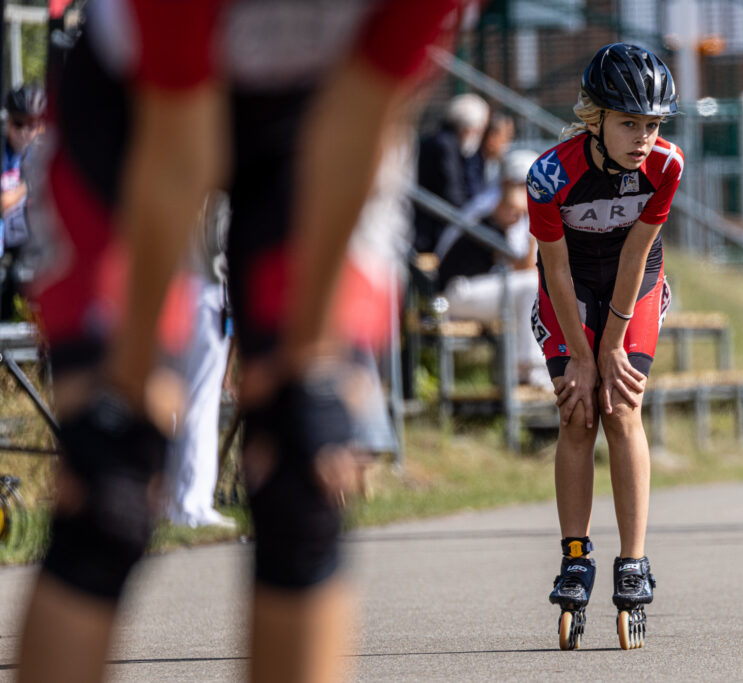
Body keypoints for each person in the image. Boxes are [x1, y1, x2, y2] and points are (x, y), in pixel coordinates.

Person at [17, 2, 474, 683]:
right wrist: (131, 383)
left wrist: (305, 366)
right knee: (108, 482)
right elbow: (178, 152)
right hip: (130, 109)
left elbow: (355, 128)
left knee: (304, 461)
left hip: (309, 126)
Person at [526, 43, 682, 650]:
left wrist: (612, 347)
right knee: (577, 412)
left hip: (631, 281)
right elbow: (556, 268)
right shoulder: (550, 175)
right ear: (596, 119)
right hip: (570, 283)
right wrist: (582, 358)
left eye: (652, 124)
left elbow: (638, 252)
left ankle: (634, 561)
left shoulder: (666, 166)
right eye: (628, 123)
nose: (643, 138)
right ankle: (575, 557)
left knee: (621, 407)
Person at [436, 148, 548, 387]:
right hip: (454, 292)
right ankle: (528, 370)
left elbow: (524, 266)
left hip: (481, 289)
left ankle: (523, 370)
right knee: (533, 286)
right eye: (528, 184)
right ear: (509, 183)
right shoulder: (489, 207)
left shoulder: (517, 211)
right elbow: (524, 270)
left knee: (538, 286)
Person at [163, 191, 235, 529]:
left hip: (170, 287)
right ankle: (193, 503)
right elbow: (221, 243)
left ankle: (169, 499)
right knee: (201, 402)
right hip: (206, 289)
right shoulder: (216, 186)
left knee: (171, 399)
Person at [412, 92, 490, 253]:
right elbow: (452, 193)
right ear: (468, 129)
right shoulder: (445, 147)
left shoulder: (451, 144)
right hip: (431, 231)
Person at [0, 84, 45, 320]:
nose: (25, 132)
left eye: (32, 124)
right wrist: (27, 186)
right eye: (18, 124)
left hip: (28, 241)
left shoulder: (41, 155)